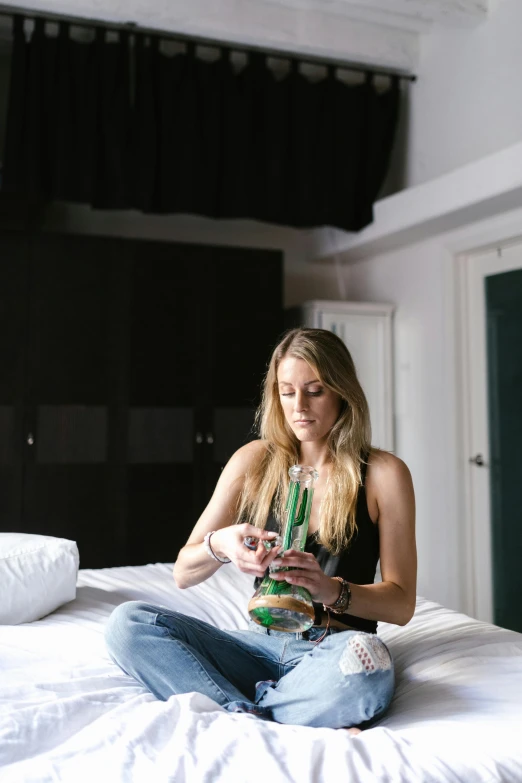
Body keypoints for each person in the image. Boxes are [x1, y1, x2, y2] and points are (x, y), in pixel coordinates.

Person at [105, 327, 416, 732]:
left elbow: (401, 604)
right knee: (128, 624)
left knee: (369, 663)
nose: (299, 406)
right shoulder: (254, 460)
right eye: (287, 391)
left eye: (315, 390)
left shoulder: (383, 474)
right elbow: (183, 571)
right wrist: (221, 545)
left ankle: (241, 713)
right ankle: (273, 715)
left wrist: (328, 589)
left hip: (333, 646)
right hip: (257, 643)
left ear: (342, 391)